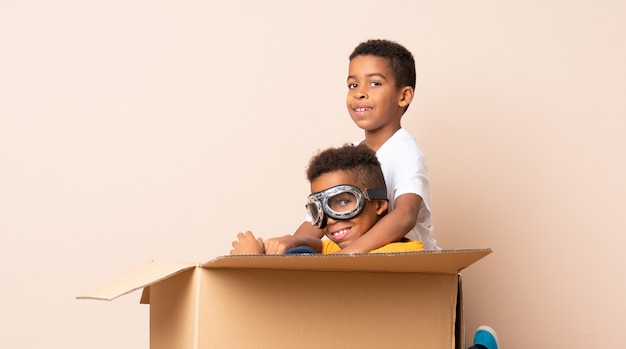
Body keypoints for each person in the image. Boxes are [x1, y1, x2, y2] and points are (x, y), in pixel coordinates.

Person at [263, 39, 439, 254]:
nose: (359, 93)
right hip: (366, 266)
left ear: (403, 96)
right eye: (353, 85)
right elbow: (318, 220)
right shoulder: (352, 157)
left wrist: (347, 255)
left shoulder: (404, 151)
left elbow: (405, 215)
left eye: (374, 83)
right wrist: (289, 244)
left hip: (415, 267)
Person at [230, 144, 424, 255]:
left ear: (379, 204)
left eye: (343, 202)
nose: (330, 219)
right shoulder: (342, 248)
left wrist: (252, 261)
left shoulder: (399, 254)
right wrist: (292, 241)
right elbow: (320, 245)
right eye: (319, 208)